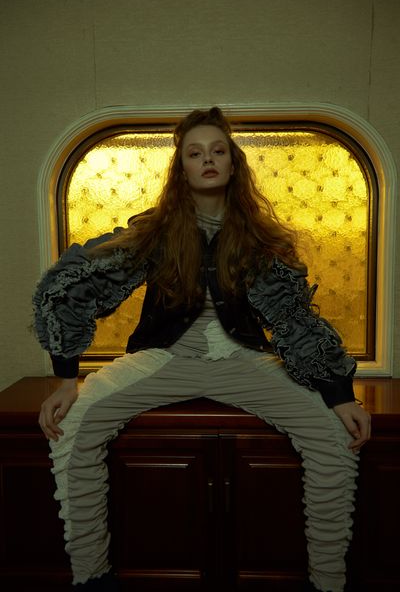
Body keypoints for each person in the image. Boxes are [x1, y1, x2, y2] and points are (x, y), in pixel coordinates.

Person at [33, 107, 371, 592]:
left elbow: (295, 319)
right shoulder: (154, 231)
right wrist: (67, 377)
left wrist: (340, 395)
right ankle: (93, 577)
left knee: (333, 437)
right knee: (74, 426)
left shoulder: (258, 238)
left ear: (233, 164)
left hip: (243, 361)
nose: (207, 160)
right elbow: (70, 287)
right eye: (195, 153)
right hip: (163, 359)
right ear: (182, 168)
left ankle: (328, 583)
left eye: (218, 151)